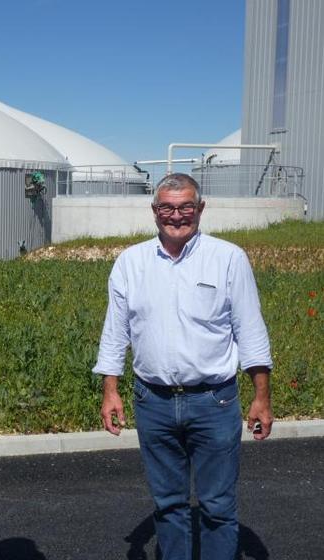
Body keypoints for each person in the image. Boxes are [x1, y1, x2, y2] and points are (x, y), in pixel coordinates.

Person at [93, 173, 273, 560]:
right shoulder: (131, 263)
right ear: (154, 211)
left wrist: (262, 396)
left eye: (185, 207)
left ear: (200, 209)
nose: (176, 216)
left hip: (215, 403)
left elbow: (251, 331)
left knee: (218, 507)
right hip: (152, 402)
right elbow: (115, 331)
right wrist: (111, 390)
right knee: (168, 505)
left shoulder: (227, 259)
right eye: (167, 208)